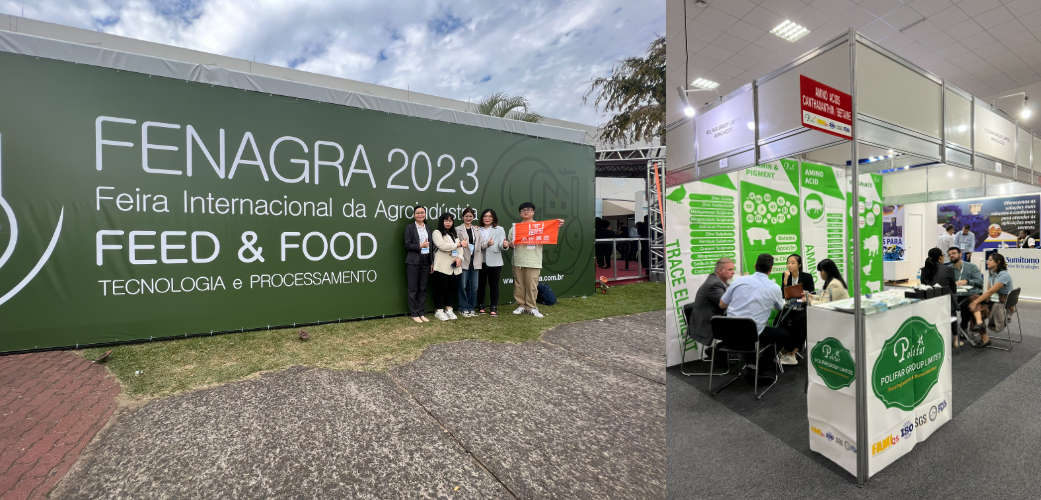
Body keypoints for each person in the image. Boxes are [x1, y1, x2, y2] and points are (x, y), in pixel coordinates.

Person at [718, 254, 788, 368]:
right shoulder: (774, 288)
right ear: (771, 269)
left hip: (729, 334)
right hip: (751, 336)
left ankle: (750, 364)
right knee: (783, 335)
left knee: (749, 328)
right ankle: (760, 367)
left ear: (755, 266)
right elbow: (780, 307)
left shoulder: (738, 281)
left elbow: (722, 304)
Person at [504, 202, 565, 318]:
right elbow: (511, 244)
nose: (526, 211)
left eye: (529, 209)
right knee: (519, 285)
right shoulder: (514, 228)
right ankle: (521, 305)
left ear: (533, 212)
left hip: (533, 261)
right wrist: (510, 244)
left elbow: (549, 237)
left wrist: (557, 226)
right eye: (523, 210)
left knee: (532, 286)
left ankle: (532, 307)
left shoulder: (541, 227)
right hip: (518, 260)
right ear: (520, 213)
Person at [687, 258, 735, 352]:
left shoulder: (719, 282)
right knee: (744, 330)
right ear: (720, 271)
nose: (733, 272)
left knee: (742, 328)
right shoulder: (714, 284)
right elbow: (729, 303)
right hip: (708, 324)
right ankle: (717, 351)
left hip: (715, 320)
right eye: (730, 270)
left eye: (733, 269)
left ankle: (719, 353)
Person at [967, 252, 1014, 348]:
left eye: (990, 260)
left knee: (974, 307)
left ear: (998, 262)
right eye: (988, 260)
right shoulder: (992, 273)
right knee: (973, 298)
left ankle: (984, 336)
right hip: (994, 300)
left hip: (1002, 303)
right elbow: (989, 291)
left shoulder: (1003, 275)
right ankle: (980, 323)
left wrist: (976, 302)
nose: (987, 262)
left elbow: (990, 292)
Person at [777, 254, 816, 365]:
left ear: (799, 264)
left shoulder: (807, 277)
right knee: (778, 321)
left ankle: (792, 353)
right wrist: (785, 281)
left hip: (802, 307)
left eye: (793, 263)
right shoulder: (786, 276)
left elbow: (812, 293)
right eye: (788, 262)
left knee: (799, 324)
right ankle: (784, 349)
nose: (790, 265)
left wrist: (804, 295)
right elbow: (783, 294)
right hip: (789, 307)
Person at [921, 247, 959, 346]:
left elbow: (923, 286)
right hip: (946, 302)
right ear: (940, 258)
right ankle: (956, 340)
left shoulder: (924, 270)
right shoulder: (948, 269)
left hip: (930, 302)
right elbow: (953, 287)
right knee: (952, 314)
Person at [430, 213, 464, 321]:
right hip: (442, 266)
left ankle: (449, 309)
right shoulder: (437, 232)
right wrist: (458, 245)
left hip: (455, 267)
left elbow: (461, 249)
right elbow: (442, 246)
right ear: (441, 221)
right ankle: (439, 311)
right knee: (441, 289)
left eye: (450, 221)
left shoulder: (454, 234)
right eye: (446, 220)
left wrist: (460, 258)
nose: (448, 223)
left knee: (451, 289)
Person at [403, 205, 434, 323]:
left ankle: (421, 312)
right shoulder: (409, 228)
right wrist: (420, 246)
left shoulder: (429, 228)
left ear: (425, 214)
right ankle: (414, 313)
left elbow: (431, 247)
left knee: (423, 288)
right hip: (413, 261)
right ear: (414, 215)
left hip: (426, 261)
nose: (420, 214)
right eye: (417, 213)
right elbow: (407, 244)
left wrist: (431, 262)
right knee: (413, 288)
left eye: (422, 212)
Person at [476, 209, 506, 317]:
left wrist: (505, 245)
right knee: (481, 285)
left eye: (490, 216)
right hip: (480, 261)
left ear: (494, 218)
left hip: (495, 261)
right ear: (482, 218)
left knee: (494, 285)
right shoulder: (477, 229)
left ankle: (494, 306)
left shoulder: (499, 229)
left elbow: (502, 245)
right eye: (485, 216)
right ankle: (481, 305)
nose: (487, 218)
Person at [947, 247, 983, 339]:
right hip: (954, 295)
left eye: (954, 253)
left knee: (966, 307)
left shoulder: (971, 267)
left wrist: (967, 281)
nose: (951, 255)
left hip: (968, 294)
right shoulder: (948, 269)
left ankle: (964, 327)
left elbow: (979, 282)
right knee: (948, 307)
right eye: (949, 254)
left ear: (960, 254)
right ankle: (953, 332)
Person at [454, 207, 484, 318]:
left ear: (473, 217)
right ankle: (463, 307)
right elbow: (456, 244)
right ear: (462, 217)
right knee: (462, 285)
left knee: (474, 286)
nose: (468, 218)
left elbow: (481, 245)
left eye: (470, 216)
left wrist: (489, 244)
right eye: (466, 216)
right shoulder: (458, 229)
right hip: (463, 260)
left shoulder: (477, 230)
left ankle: (471, 308)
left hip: (475, 261)